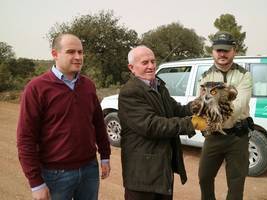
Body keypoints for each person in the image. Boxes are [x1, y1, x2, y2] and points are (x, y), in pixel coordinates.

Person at [17, 33, 111, 200]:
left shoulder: (88, 85)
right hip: (55, 175)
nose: (78, 57)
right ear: (55, 54)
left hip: (89, 169)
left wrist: (104, 156)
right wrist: (36, 183)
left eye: (81, 52)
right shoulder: (36, 88)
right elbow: (25, 139)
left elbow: (98, 124)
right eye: (71, 52)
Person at [118, 45, 206, 200]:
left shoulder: (159, 86)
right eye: (145, 62)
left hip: (162, 167)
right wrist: (192, 124)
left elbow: (176, 109)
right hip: (142, 172)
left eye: (153, 61)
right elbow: (151, 125)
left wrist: (200, 104)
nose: (151, 66)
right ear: (131, 67)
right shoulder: (129, 92)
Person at [197, 31, 253, 200]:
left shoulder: (244, 75)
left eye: (226, 50)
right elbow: (201, 106)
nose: (222, 54)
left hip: (237, 137)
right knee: (204, 177)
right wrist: (201, 124)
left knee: (236, 183)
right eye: (218, 50)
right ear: (212, 51)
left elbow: (239, 105)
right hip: (213, 137)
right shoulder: (205, 76)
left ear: (234, 51)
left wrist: (212, 111)